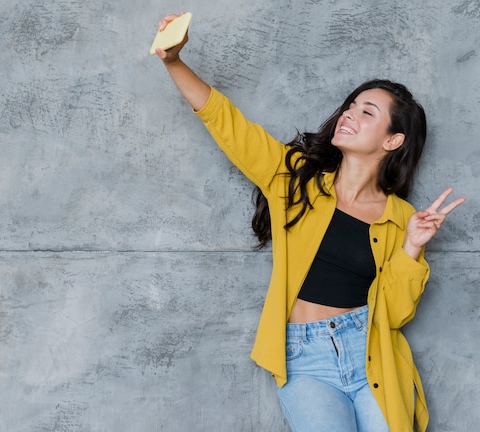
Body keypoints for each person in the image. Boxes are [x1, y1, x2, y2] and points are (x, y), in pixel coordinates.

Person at [154, 12, 466, 432]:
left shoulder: (403, 219)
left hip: (372, 354)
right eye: (351, 106)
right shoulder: (293, 178)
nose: (349, 114)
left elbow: (392, 315)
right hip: (305, 358)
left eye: (367, 112)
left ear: (392, 141)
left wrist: (412, 247)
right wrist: (173, 62)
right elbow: (227, 122)